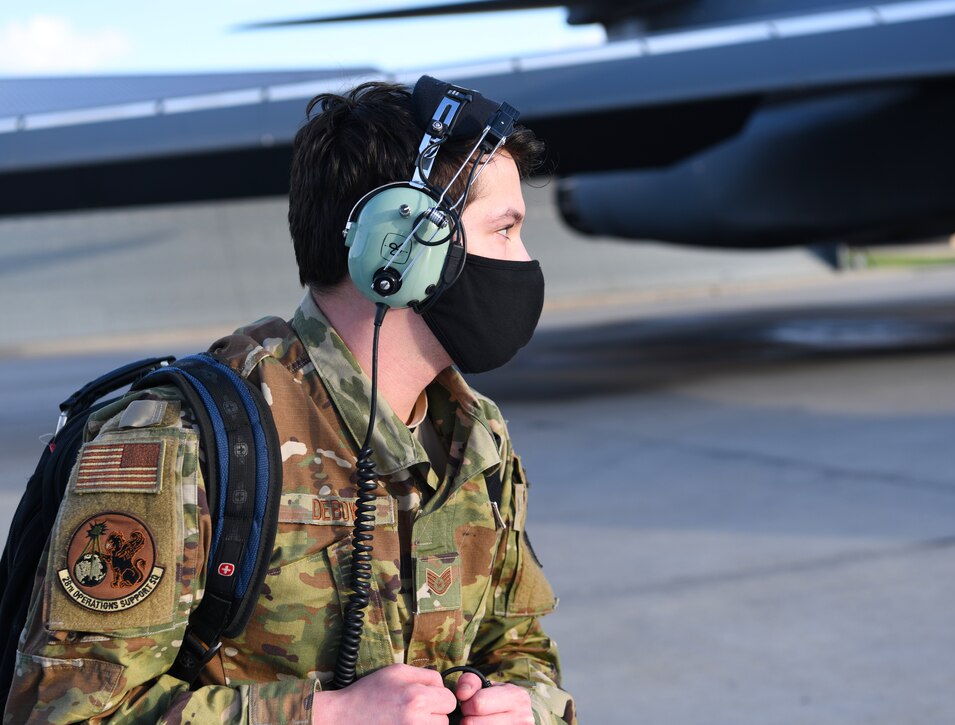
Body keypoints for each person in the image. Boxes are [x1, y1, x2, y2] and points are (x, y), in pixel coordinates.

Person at [4, 79, 575, 724]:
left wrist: (525, 708)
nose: (524, 260)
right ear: (402, 245)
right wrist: (327, 717)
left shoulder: (473, 437)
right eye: (504, 230)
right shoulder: (182, 441)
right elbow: (60, 713)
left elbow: (520, 648)